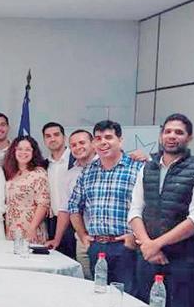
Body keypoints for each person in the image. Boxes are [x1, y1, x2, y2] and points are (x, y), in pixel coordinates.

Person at [129, 113, 194, 307]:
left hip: (184, 262)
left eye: (179, 132)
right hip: (148, 259)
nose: (172, 136)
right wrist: (148, 245)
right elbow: (135, 211)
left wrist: (156, 244)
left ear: (189, 138)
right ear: (161, 136)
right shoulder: (147, 168)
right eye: (167, 131)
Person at [68, 120, 143, 293]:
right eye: (98, 138)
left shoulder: (138, 167)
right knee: (99, 296)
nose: (103, 142)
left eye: (109, 137)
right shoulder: (88, 171)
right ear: (94, 143)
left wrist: (135, 236)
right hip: (97, 247)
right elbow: (73, 206)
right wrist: (83, 236)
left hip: (126, 246)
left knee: (127, 298)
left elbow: (149, 207)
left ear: (120, 140)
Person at [47, 129, 97, 279]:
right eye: (73, 145)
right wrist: (57, 239)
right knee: (87, 281)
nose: (78, 147)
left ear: (93, 144)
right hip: (82, 239)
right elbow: (65, 209)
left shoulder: (105, 166)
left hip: (110, 240)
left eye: (82, 143)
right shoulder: (70, 175)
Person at [4, 136, 50, 243]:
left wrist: (32, 228)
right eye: (19, 149)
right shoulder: (11, 173)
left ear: (33, 152)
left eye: (28, 149)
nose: (23, 152)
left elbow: (43, 204)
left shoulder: (39, 173)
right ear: (14, 151)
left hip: (31, 228)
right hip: (12, 227)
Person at [41, 122, 76, 258]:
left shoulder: (76, 159)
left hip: (74, 222)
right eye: (48, 136)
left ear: (64, 137)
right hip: (53, 222)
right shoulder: (44, 164)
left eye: (56, 135)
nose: (52, 139)